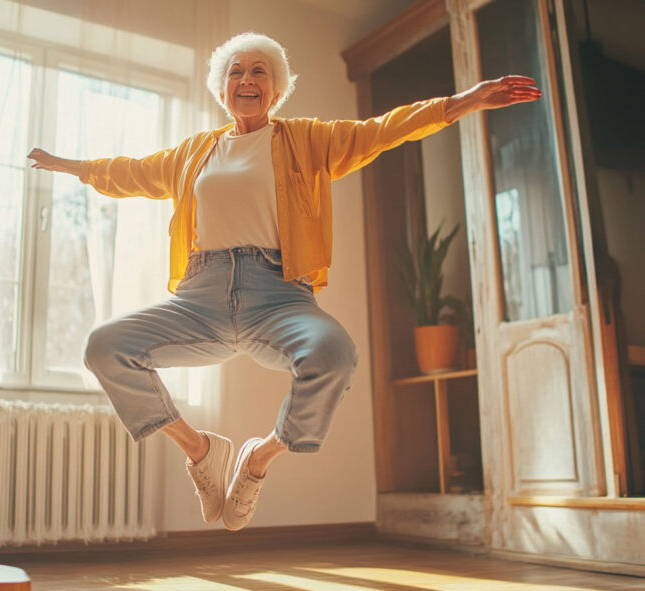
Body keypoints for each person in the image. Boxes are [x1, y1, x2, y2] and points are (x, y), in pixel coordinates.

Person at [27, 32, 541, 531]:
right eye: (235, 71)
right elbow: (132, 172)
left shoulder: (307, 140)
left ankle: (257, 457)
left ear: (276, 88)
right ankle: (201, 451)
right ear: (221, 87)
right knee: (105, 346)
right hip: (199, 299)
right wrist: (69, 165)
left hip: (279, 297)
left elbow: (383, 129)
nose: (246, 79)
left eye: (259, 71)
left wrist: (462, 103)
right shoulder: (193, 153)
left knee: (334, 353)